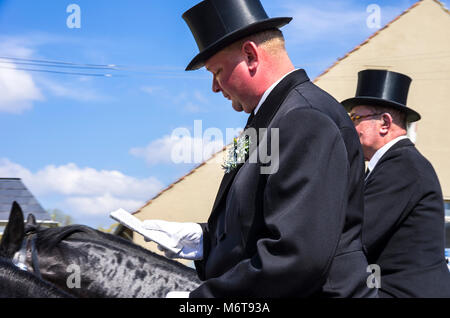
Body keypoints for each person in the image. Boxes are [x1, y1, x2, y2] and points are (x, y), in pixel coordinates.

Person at [143, 0, 376, 298]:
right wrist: (205, 241)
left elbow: (296, 257)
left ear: (251, 55)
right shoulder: (272, 119)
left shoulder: (304, 119)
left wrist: (203, 301)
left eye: (217, 71)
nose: (215, 87)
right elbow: (257, 227)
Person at [342, 69, 450, 297]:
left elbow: (357, 233)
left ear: (384, 123)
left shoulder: (402, 166)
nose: (351, 127)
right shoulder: (396, 164)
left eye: (355, 118)